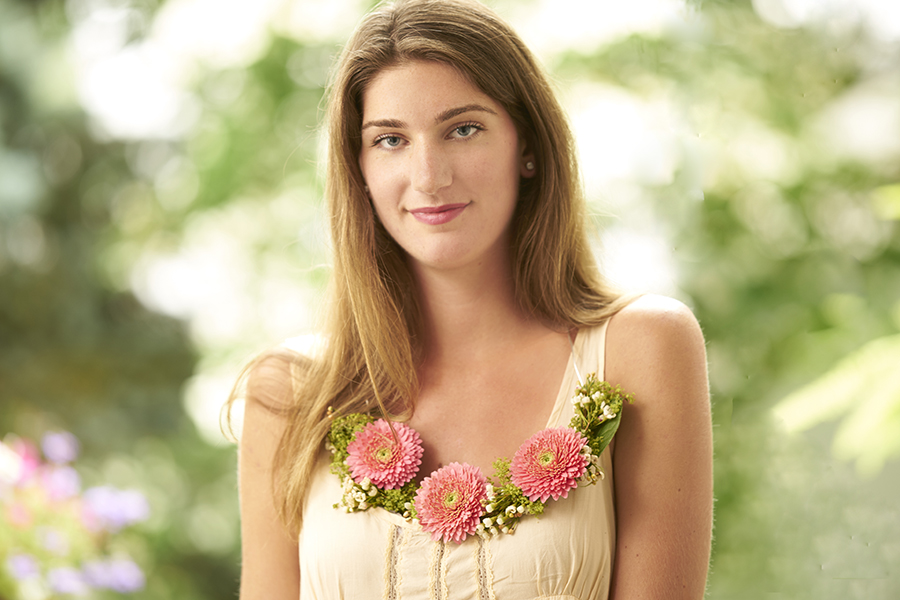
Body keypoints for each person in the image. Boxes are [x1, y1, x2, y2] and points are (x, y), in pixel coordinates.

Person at [229, 0, 713, 598]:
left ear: (528, 146)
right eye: (389, 140)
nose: (429, 175)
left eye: (463, 129)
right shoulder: (291, 391)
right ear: (358, 169)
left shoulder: (640, 347)